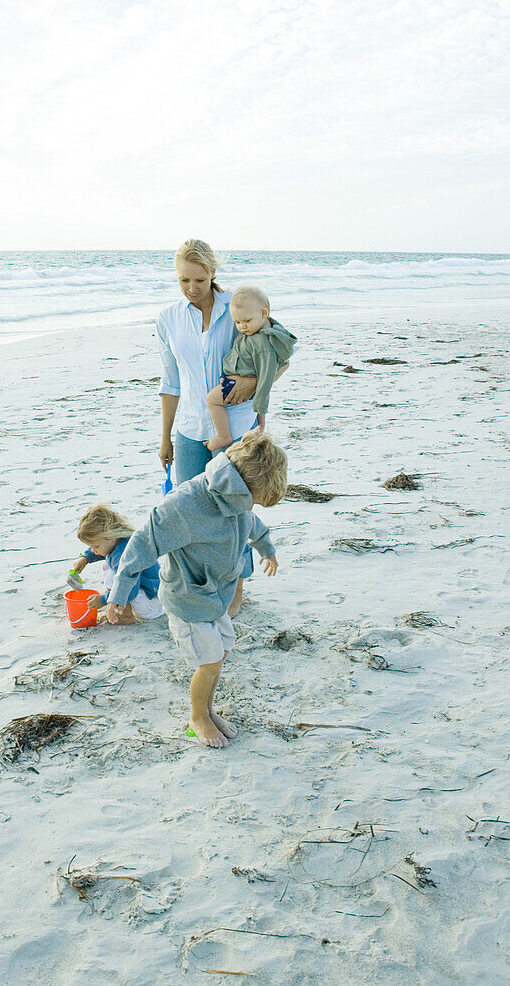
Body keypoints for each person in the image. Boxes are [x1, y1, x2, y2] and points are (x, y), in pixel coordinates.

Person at [107, 429, 288, 748]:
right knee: (209, 662)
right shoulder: (186, 505)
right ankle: (197, 717)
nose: (253, 507)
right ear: (242, 489)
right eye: (254, 501)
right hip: (187, 600)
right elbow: (142, 544)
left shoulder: (237, 501)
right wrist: (118, 596)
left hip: (215, 598)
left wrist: (267, 549)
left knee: (221, 652)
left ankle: (207, 708)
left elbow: (252, 524)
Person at [157, 238, 275, 617]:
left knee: (234, 513)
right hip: (190, 430)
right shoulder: (168, 318)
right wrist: (166, 439)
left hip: (237, 428)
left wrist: (255, 385)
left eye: (199, 280)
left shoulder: (239, 306)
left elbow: (281, 353)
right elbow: (170, 382)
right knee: (188, 512)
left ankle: (237, 590)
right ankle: (199, 587)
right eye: (184, 281)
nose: (192, 288)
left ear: (213, 274)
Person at [205, 284, 296, 452]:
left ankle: (223, 435)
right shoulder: (257, 332)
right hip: (246, 383)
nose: (242, 327)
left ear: (263, 313)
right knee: (258, 415)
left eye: (246, 321)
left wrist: (261, 404)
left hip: (239, 385)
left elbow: (266, 376)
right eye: (237, 322)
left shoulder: (262, 344)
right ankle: (260, 427)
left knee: (212, 400)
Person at [71, 503, 165, 626]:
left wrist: (105, 600)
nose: (93, 550)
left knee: (112, 575)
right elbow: (103, 550)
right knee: (110, 570)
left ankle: (124, 616)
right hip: (151, 594)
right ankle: (120, 608)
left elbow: (130, 590)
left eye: (96, 546)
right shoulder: (118, 541)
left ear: (110, 536)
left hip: (152, 605)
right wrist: (86, 557)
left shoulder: (123, 555)